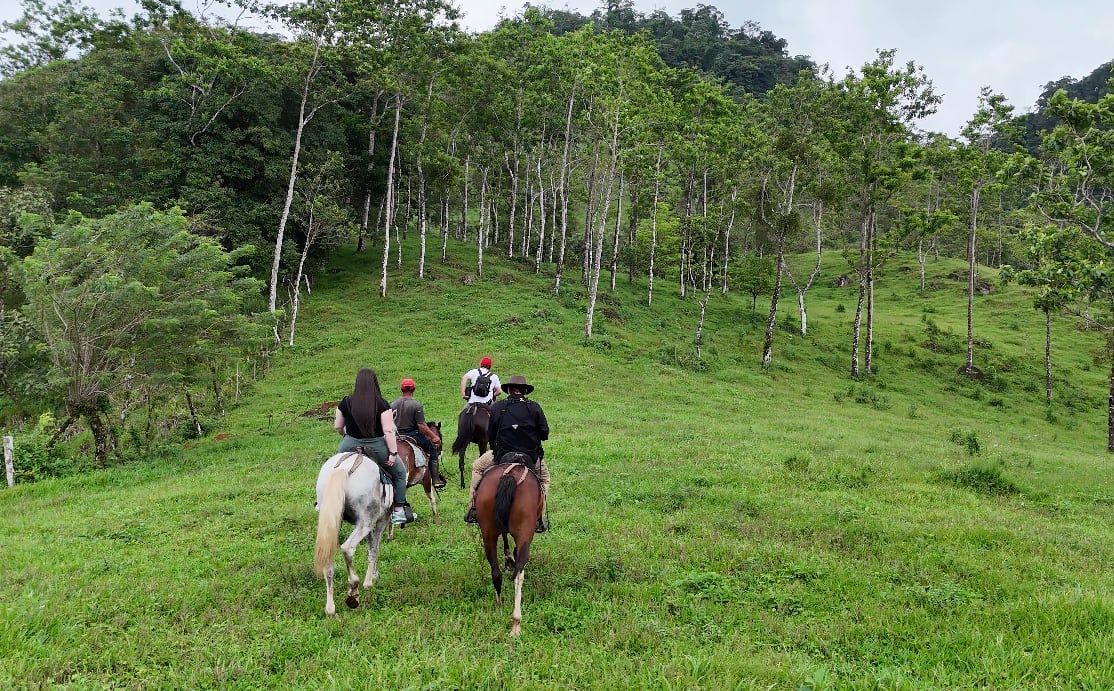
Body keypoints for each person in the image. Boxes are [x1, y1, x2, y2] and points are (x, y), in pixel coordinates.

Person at [464, 375, 550, 533]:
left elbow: (490, 434)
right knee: (544, 478)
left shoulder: (498, 407)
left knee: (477, 467)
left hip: (502, 455)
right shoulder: (534, 407)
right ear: (524, 391)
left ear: (509, 390)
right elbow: (545, 433)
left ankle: (473, 509)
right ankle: (538, 518)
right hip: (530, 456)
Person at [334, 367, 412, 526]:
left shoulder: (345, 402)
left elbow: (337, 426)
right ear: (374, 383)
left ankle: (321, 502)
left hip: (350, 442)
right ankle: (398, 510)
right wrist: (393, 453)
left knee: (334, 469)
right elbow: (389, 430)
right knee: (399, 473)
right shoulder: (382, 404)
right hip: (376, 445)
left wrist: (345, 436)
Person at [390, 377, 445, 489]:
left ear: (401, 389)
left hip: (395, 436)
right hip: (412, 435)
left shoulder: (393, 404)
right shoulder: (416, 405)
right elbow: (421, 425)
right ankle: (435, 479)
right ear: (413, 389)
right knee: (432, 449)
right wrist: (433, 436)